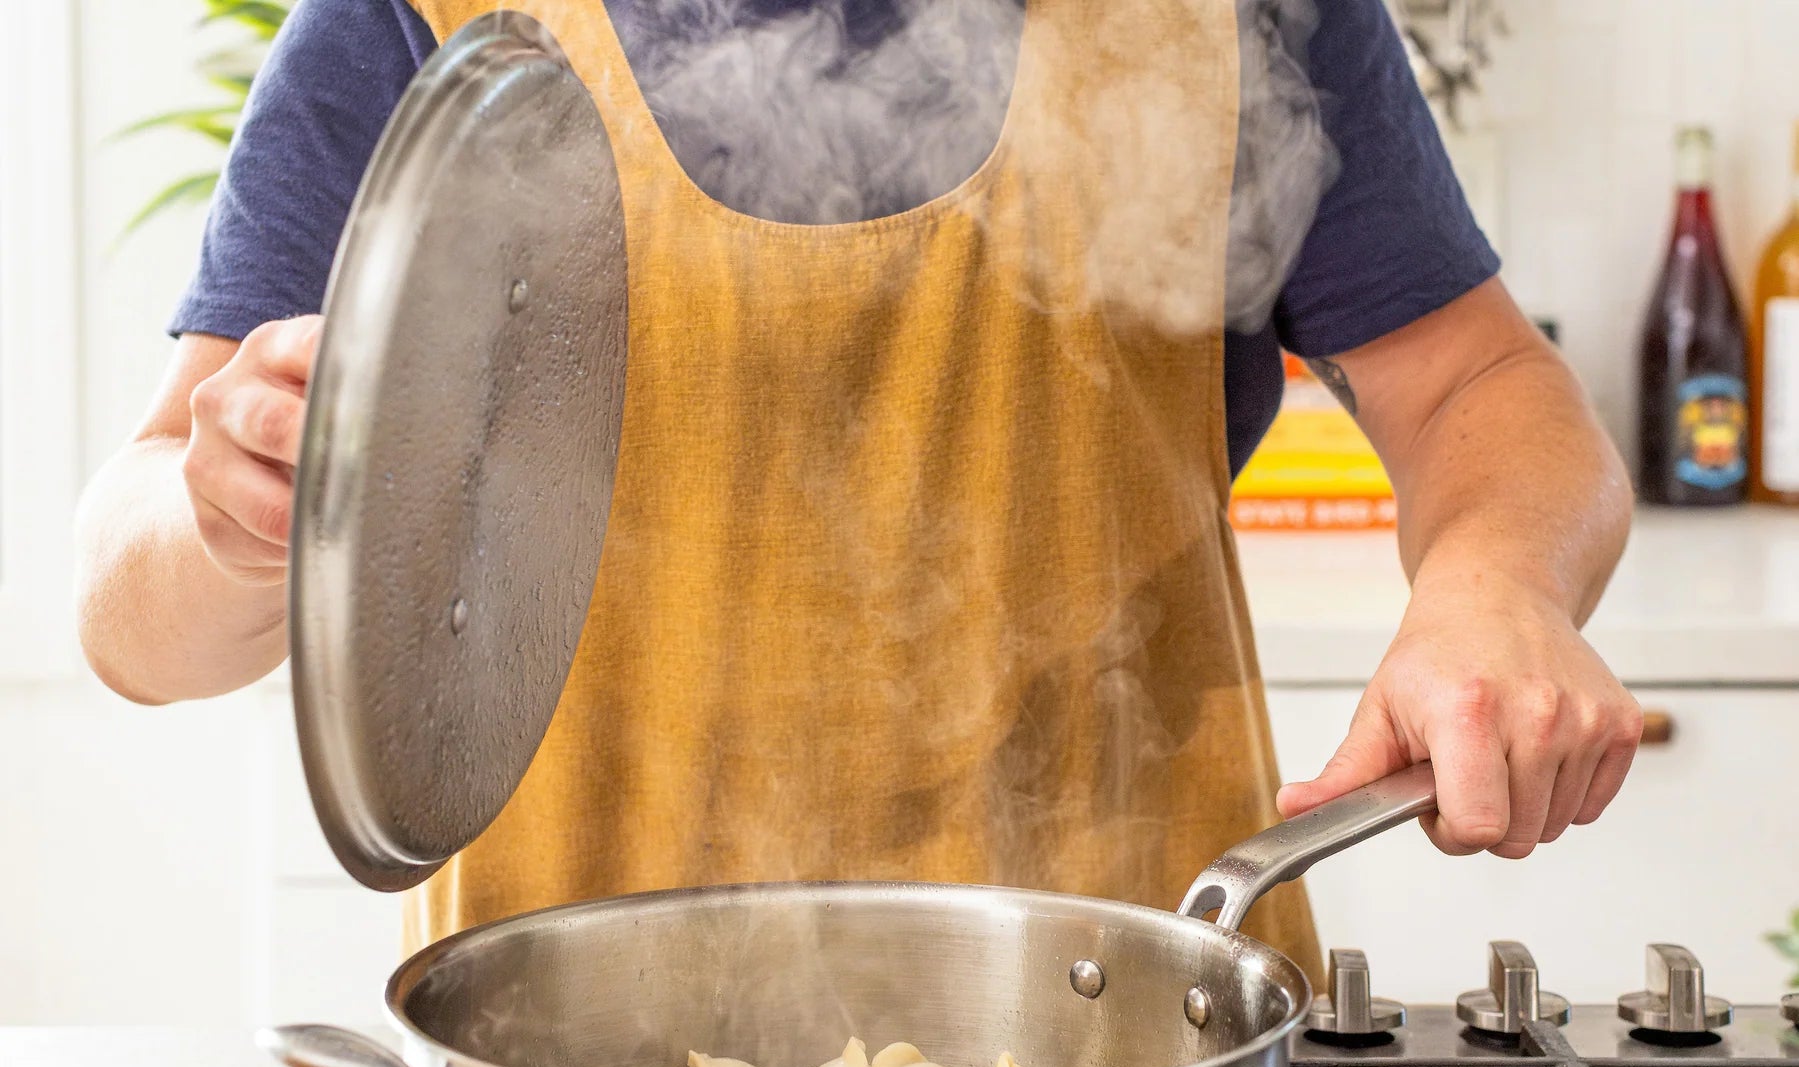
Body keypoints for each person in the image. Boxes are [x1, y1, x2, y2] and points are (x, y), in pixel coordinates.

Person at [72, 0, 1640, 978]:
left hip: (1135, 1059)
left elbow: (1480, 391)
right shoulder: (415, 25)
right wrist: (228, 515)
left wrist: (1495, 588)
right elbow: (136, 615)